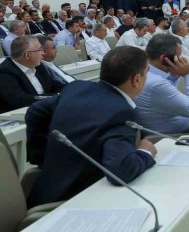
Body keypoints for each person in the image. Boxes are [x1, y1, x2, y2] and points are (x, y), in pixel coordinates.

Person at [25, 46, 157, 207]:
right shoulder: (121, 111)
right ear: (136, 79)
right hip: (72, 202)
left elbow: (35, 111)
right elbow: (121, 172)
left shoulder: (76, 88)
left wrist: (42, 156)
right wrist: (145, 152)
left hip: (45, 191)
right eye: (146, 73)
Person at [134, 34, 189, 134]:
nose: (181, 59)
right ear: (164, 59)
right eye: (178, 56)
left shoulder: (146, 73)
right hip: (175, 135)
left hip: (179, 126)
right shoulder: (157, 84)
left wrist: (173, 76)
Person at [0, 35, 65, 115]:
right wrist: (57, 97)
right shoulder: (4, 73)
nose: (43, 53)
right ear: (28, 55)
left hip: (43, 109)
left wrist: (69, 90)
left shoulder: (38, 66)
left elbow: (55, 86)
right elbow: (21, 100)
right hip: (18, 116)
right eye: (40, 50)